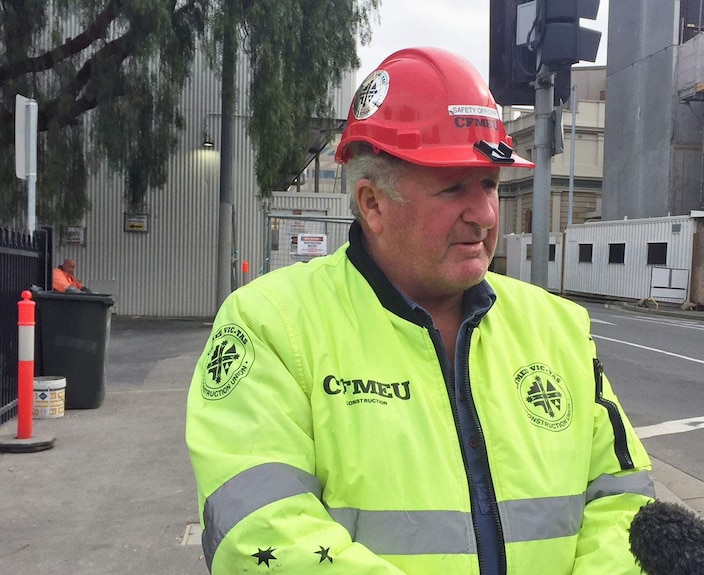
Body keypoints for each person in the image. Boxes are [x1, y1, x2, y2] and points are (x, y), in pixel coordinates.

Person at [186, 47, 654, 574]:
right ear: (373, 204)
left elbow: (623, 499)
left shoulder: (557, 327)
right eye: (454, 186)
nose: (483, 215)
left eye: (490, 185)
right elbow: (261, 533)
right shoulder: (271, 324)